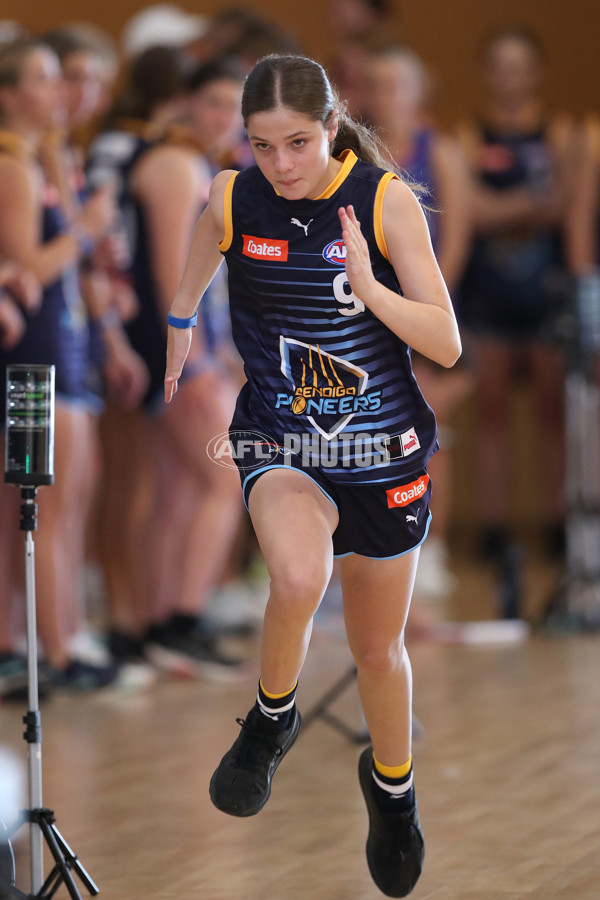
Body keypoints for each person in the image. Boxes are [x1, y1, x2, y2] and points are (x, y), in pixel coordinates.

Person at [165, 54, 461, 897]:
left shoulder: (381, 199)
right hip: (277, 439)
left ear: (331, 129)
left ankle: (394, 796)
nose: (281, 164)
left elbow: (445, 343)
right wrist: (182, 316)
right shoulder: (234, 194)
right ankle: (270, 719)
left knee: (377, 652)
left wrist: (370, 288)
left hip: (383, 454)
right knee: (295, 574)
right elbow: (205, 232)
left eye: (298, 143)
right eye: (263, 147)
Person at [0, 37, 117, 689]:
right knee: (42, 504)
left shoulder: (40, 159)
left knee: (61, 501)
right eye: (43, 80)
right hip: (34, 353)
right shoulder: (12, 167)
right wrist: (84, 230)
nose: (59, 93)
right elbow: (25, 275)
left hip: (62, 348)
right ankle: (56, 650)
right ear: (9, 95)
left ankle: (58, 639)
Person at [456, 26, 573, 560]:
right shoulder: (467, 135)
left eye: (518, 66)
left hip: (545, 290)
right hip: (488, 294)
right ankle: (493, 527)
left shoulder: (561, 132)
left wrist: (498, 209)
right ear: (487, 73)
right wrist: (531, 203)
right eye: (498, 66)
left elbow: (565, 206)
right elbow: (471, 210)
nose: (509, 77)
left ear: (535, 72)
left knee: (554, 409)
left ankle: (556, 520)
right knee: (493, 409)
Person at [365, 43, 472, 605]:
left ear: (416, 92)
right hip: (370, 311)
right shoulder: (352, 151)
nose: (383, 95)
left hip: (428, 311)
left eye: (394, 83)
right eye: (374, 83)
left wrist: (425, 307)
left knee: (431, 428)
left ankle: (433, 547)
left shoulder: (441, 149)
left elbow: (454, 239)